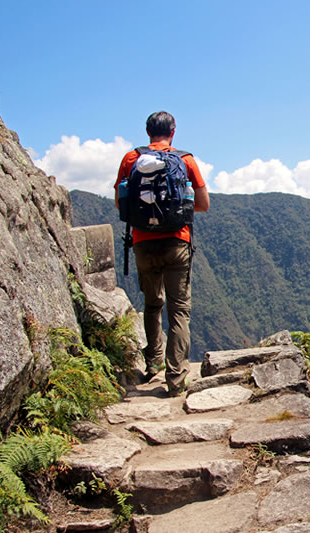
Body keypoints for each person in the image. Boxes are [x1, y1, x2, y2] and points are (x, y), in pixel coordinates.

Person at [114, 111, 210, 395]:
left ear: (147, 132)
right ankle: (176, 379)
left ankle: (153, 363)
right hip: (177, 243)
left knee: (153, 304)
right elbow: (203, 204)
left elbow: (122, 206)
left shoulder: (131, 159)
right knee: (178, 310)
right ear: (174, 131)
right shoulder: (184, 160)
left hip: (143, 243)